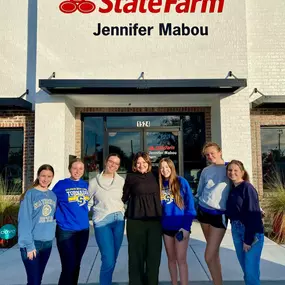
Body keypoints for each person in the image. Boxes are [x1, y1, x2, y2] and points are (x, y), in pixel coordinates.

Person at [122, 151, 162, 285]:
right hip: (136, 221)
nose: (141, 165)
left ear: (148, 163)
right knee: (135, 257)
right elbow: (123, 197)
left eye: (144, 162)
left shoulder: (156, 174)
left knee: (153, 256)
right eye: (138, 163)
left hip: (154, 221)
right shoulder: (130, 177)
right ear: (134, 164)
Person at [196, 142, 230, 285]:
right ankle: (218, 282)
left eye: (212, 153)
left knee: (208, 255)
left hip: (219, 215)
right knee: (213, 253)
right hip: (204, 212)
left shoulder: (230, 168)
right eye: (207, 155)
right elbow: (200, 191)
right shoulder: (206, 170)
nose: (210, 156)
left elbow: (243, 186)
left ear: (220, 152)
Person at [88, 153, 125, 285]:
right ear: (106, 162)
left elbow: (126, 199)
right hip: (102, 221)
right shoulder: (94, 182)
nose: (113, 165)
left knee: (113, 256)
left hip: (119, 221)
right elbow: (87, 202)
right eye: (111, 162)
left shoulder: (121, 181)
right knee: (108, 258)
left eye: (116, 164)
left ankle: (107, 281)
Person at [159, 158, 196, 285]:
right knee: (171, 259)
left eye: (167, 167)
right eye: (162, 168)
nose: (165, 170)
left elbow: (190, 207)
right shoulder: (159, 184)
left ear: (172, 168)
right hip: (166, 228)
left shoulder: (181, 182)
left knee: (181, 259)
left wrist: (186, 227)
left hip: (181, 228)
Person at [226, 160, 264, 285]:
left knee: (250, 273)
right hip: (237, 231)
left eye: (236, 170)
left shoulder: (247, 188)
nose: (232, 173)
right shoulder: (232, 189)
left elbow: (253, 214)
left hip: (251, 233)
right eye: (230, 170)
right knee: (247, 271)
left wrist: (248, 240)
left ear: (242, 172)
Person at [53, 158, 90, 285]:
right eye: (75, 168)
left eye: (81, 168)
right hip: (66, 230)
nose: (77, 171)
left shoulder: (86, 185)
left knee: (76, 264)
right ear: (69, 169)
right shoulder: (61, 185)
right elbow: (51, 201)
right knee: (68, 266)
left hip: (83, 231)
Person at [18, 164, 57, 285]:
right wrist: (29, 246)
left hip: (47, 244)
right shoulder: (30, 194)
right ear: (38, 176)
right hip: (32, 244)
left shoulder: (52, 195)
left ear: (52, 177)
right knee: (33, 281)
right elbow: (24, 221)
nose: (45, 179)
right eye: (43, 176)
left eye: (49, 176)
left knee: (38, 279)